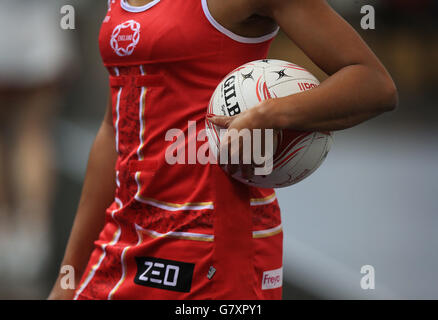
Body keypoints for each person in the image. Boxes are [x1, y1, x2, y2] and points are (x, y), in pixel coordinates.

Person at [49, 0, 397, 300]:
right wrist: (69, 275)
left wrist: (270, 113)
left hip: (212, 249)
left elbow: (373, 84)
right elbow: (113, 130)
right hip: (122, 240)